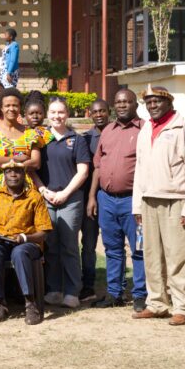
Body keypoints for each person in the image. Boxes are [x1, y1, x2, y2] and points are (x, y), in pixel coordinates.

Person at [132, 85, 185, 326]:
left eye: (157, 102)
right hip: (149, 200)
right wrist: (136, 207)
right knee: (152, 255)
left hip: (176, 200)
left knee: (178, 255)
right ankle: (157, 303)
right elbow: (139, 170)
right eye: (148, 102)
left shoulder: (184, 128)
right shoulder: (145, 130)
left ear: (169, 103)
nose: (152, 106)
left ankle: (183, 306)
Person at [89, 89, 146, 311]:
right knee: (112, 249)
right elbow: (97, 166)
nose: (122, 105)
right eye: (118, 102)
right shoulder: (108, 131)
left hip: (133, 201)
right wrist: (92, 197)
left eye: (126, 101)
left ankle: (141, 294)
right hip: (107, 200)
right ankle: (115, 293)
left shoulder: (145, 130)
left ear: (135, 104)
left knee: (139, 248)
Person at [0, 160, 53, 324]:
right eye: (9, 172)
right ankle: (0, 304)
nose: (13, 174)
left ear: (24, 175)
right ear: (4, 176)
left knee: (20, 253)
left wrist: (25, 237)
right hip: (1, 241)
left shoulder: (34, 197)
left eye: (18, 171)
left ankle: (30, 305)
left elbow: (44, 231)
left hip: (27, 243)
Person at [37, 98, 91, 309]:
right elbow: (32, 169)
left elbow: (83, 171)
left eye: (61, 112)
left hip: (71, 199)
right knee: (50, 244)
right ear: (47, 115)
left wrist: (66, 193)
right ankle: (54, 289)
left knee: (68, 245)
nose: (57, 116)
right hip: (47, 198)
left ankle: (71, 291)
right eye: (53, 112)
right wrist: (44, 190)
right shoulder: (41, 140)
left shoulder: (76, 140)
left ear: (67, 114)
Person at [0, 88, 44, 196]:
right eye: (7, 106)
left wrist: (2, 160)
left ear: (20, 107)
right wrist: (17, 158)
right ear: (1, 107)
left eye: (15, 105)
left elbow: (36, 163)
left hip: (26, 189)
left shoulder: (31, 133)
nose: (11, 109)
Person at [79, 99, 110, 302]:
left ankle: (116, 285)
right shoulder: (85, 138)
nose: (99, 114)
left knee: (112, 243)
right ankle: (87, 284)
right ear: (90, 114)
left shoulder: (116, 133)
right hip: (87, 196)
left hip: (108, 196)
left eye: (102, 111)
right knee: (88, 244)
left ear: (109, 112)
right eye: (95, 111)